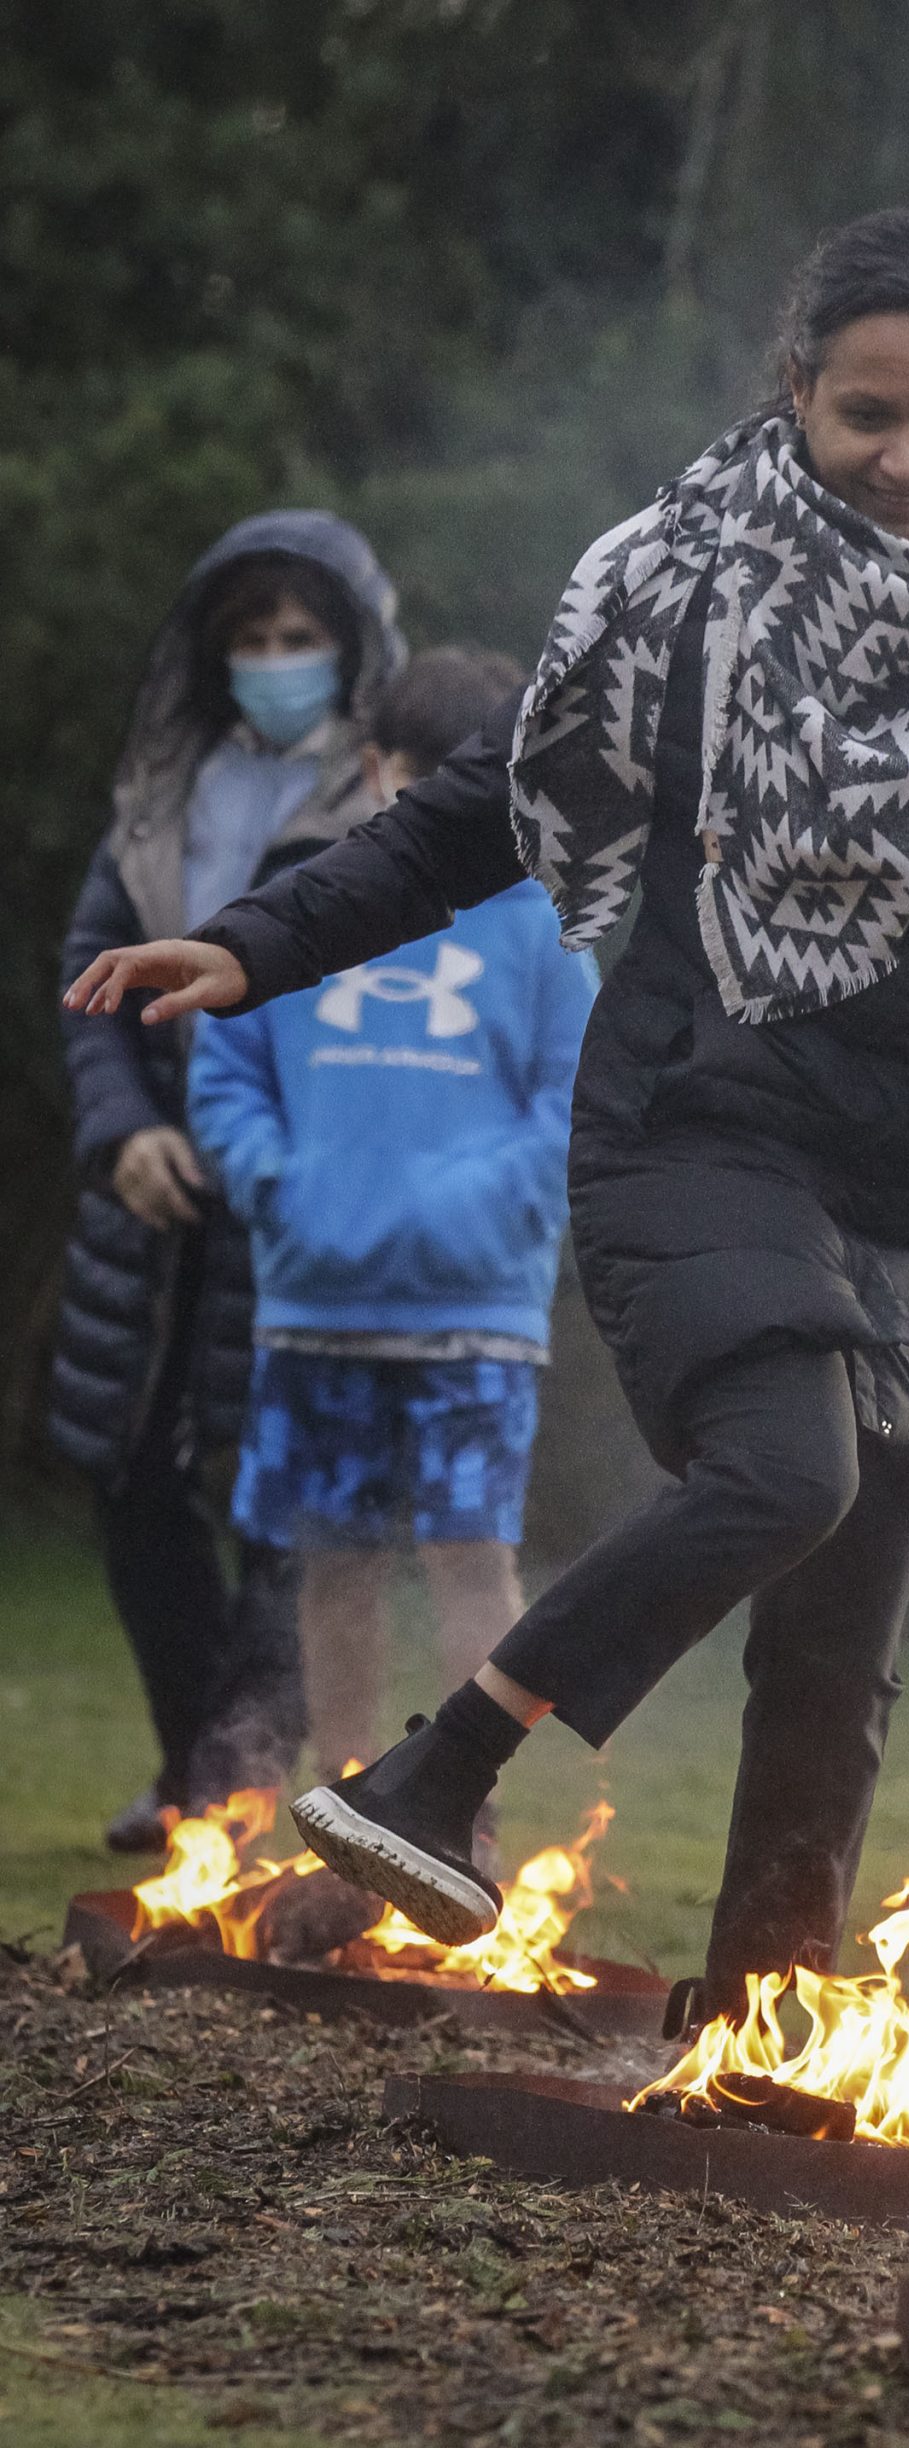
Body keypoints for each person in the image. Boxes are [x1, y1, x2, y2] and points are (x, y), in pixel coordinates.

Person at [65, 210, 909, 2026]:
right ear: (798, 396)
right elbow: (476, 816)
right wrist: (255, 943)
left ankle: (759, 2020)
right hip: (699, 1120)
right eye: (871, 416)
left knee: (844, 1613)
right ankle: (428, 1780)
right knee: (785, 1470)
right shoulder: (678, 596)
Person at [51, 512, 404, 1850]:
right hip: (152, 1188)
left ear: (351, 645)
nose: (274, 660)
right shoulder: (162, 794)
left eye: (300, 636)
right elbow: (92, 968)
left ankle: (241, 1781)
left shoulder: (386, 807)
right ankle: (193, 1759)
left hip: (297, 1198)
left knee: (284, 1493)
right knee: (133, 1473)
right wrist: (118, 1132)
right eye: (250, 638)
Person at [185, 648, 594, 1792]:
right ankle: (345, 1804)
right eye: (426, 779)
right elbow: (226, 1073)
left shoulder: (546, 931)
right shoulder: (299, 910)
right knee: (335, 1568)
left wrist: (467, 1202)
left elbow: (574, 1106)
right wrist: (285, 1184)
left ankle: (458, 1813)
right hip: (316, 1305)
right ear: (378, 771)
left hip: (475, 1315)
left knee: (472, 1559)